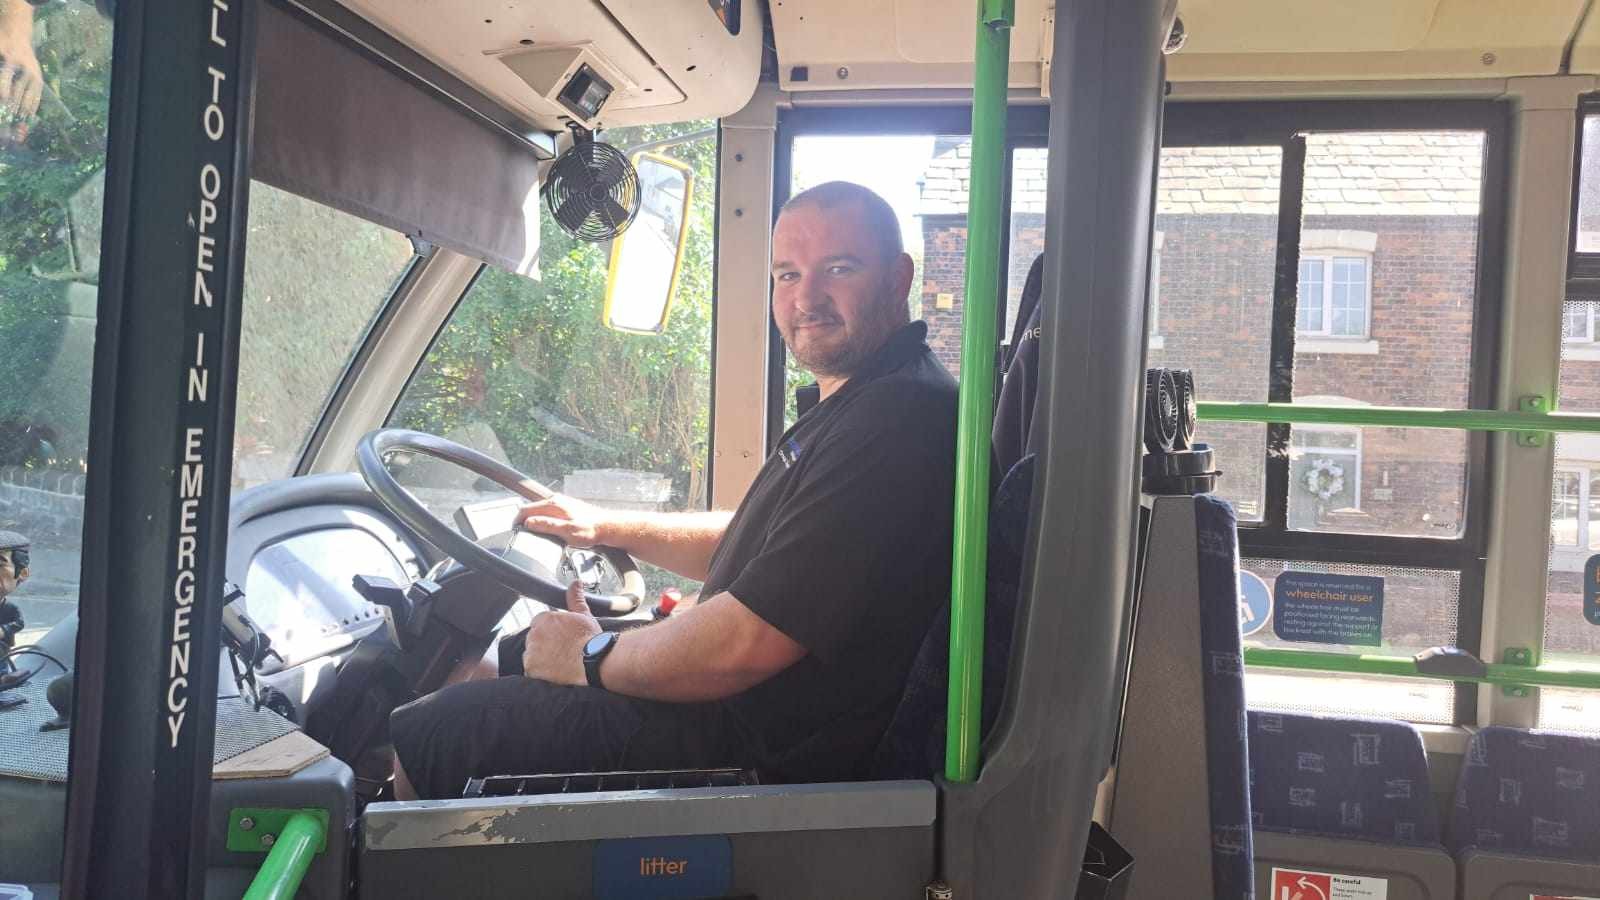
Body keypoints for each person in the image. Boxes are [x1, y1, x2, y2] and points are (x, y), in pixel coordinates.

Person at [389, 181, 959, 800]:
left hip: (765, 757)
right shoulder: (865, 398)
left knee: (433, 733)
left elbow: (745, 644)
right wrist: (608, 527)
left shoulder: (897, 417)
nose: (806, 298)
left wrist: (589, 654)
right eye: (788, 275)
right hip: (746, 715)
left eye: (839, 269)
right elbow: (769, 546)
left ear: (899, 278)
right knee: (510, 655)